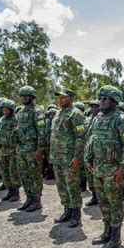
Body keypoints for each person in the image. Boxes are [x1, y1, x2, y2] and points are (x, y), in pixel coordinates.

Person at [86, 85, 124, 248]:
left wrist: (122, 168)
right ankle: (106, 231)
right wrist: (87, 158)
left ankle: (115, 235)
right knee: (103, 202)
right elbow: (91, 139)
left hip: (113, 171)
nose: (102, 101)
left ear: (114, 101)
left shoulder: (121, 120)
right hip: (98, 168)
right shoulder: (97, 118)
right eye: (101, 98)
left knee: (114, 203)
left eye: (105, 99)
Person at [51, 88, 86, 228]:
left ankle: (76, 214)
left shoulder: (76, 114)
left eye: (63, 97)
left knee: (72, 186)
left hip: (69, 157)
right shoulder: (58, 114)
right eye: (59, 97)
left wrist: (77, 157)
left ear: (71, 98)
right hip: (57, 157)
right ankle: (67, 210)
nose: (60, 100)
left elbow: (81, 137)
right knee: (61, 185)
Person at [15, 86, 47, 212]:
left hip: (32, 149)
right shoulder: (21, 112)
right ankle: (29, 198)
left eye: (26, 96)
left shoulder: (37, 112)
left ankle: (37, 201)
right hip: (21, 148)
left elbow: (42, 132)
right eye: (22, 96)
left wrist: (40, 150)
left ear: (32, 97)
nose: (24, 98)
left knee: (34, 175)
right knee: (24, 175)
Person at [0, 99, 21, 202]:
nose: (5, 112)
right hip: (2, 150)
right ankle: (10, 191)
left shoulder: (16, 120)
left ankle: (16, 193)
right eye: (3, 110)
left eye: (7, 110)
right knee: (4, 172)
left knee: (13, 172)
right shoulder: (1, 119)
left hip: (12, 150)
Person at [84, 100, 100, 206]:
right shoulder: (87, 120)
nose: (93, 109)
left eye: (96, 107)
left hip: (100, 153)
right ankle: (94, 195)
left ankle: (101, 196)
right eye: (92, 107)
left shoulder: (101, 120)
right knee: (90, 176)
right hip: (88, 152)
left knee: (100, 177)